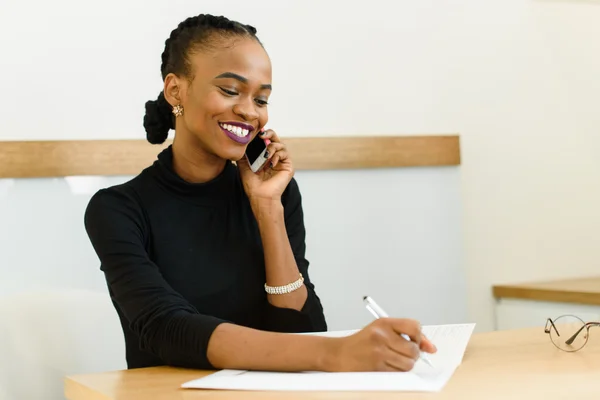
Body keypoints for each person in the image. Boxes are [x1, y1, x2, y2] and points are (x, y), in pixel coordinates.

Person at [84, 13, 436, 373]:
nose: (249, 112)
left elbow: (304, 329)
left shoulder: (275, 194)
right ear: (176, 89)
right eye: (230, 90)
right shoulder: (118, 209)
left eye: (262, 99)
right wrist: (334, 353)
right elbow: (166, 328)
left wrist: (267, 209)